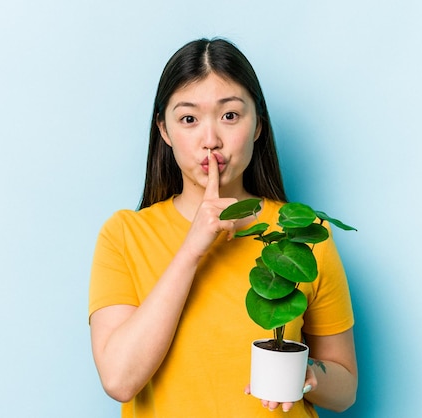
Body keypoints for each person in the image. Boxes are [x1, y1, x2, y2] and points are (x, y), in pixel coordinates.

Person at [89, 38, 357, 417]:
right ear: (164, 131)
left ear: (258, 125)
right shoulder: (124, 235)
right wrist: (192, 248)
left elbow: (345, 389)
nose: (210, 140)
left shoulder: (303, 234)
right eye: (189, 119)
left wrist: (306, 374)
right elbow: (119, 379)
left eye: (230, 115)